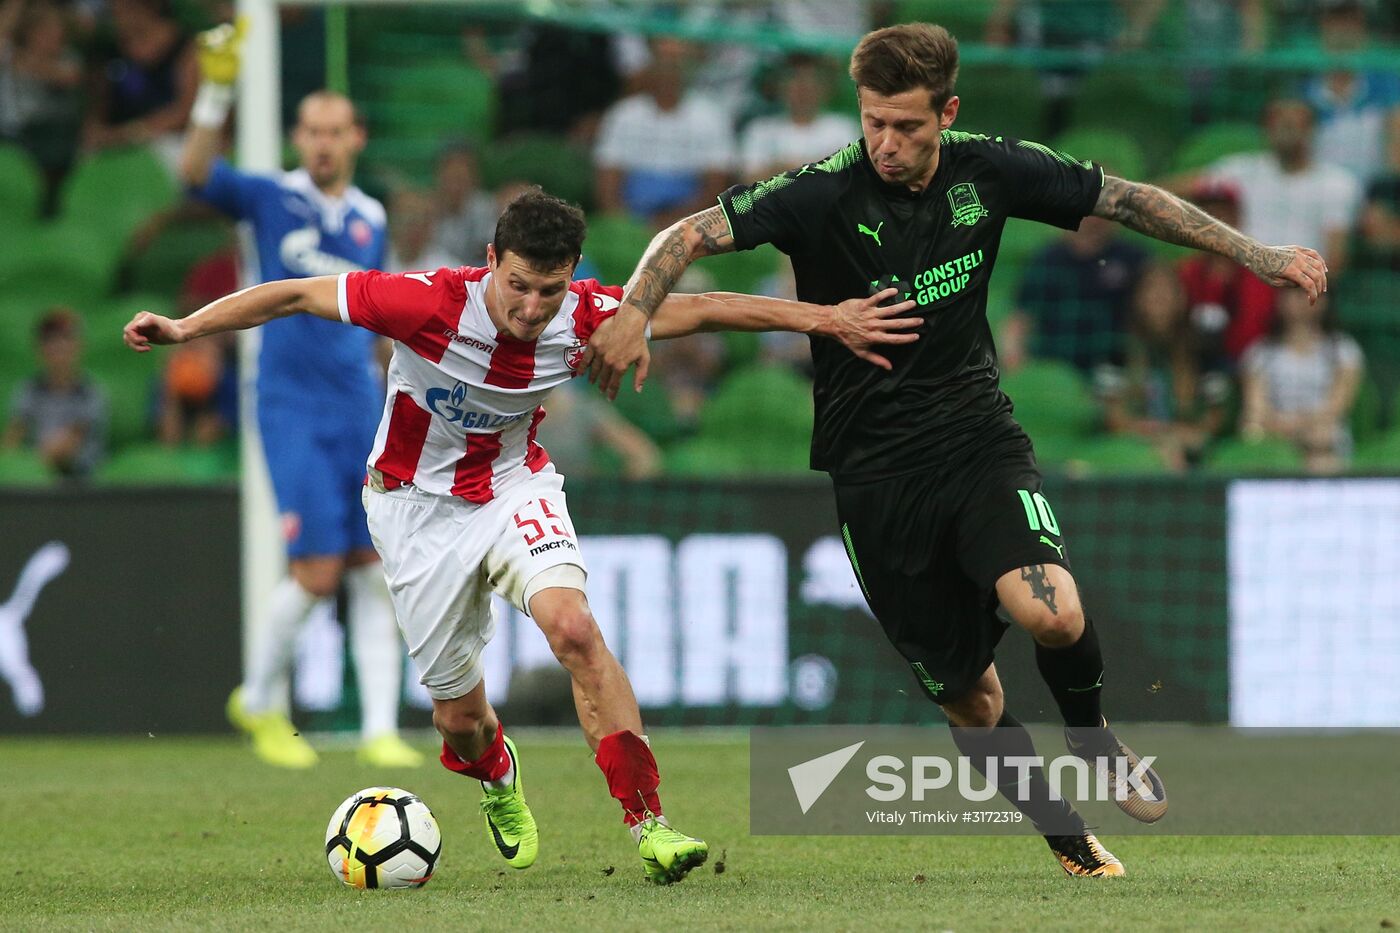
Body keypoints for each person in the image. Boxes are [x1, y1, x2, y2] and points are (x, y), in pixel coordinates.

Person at [587, 22, 1329, 877]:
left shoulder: (992, 166)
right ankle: (1069, 840)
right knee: (970, 696)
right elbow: (684, 237)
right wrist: (637, 310)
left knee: (1053, 611)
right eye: (873, 123)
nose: (887, 144)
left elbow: (1125, 199)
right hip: (874, 475)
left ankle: (1090, 732)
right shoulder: (822, 192)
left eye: (908, 126)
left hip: (978, 437)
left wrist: (1256, 252)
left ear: (949, 112)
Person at [122, 187, 920, 883]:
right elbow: (293, 294)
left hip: (513, 487)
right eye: (518, 286)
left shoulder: (586, 316)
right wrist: (187, 328)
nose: (533, 307)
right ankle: (497, 772)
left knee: (574, 629)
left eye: (550, 289)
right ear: (489, 258)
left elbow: (709, 307)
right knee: (459, 723)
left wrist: (827, 318)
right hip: (412, 509)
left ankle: (650, 823)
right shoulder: (427, 301)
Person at [177, 22, 420, 769]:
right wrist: (215, 90)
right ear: (296, 136)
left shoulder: (371, 218)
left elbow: (370, 316)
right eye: (310, 130)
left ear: (356, 137)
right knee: (315, 572)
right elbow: (192, 175)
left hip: (358, 401)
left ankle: (381, 728)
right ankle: (257, 701)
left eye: (334, 131)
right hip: (287, 403)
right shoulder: (267, 195)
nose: (321, 143)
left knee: (371, 565)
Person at [1182, 98, 1361, 277]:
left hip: (1301, 284)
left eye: (1293, 123)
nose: (1285, 129)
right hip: (1245, 279)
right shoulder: (1243, 169)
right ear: (1267, 129)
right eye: (1279, 122)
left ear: (1311, 129)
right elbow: (1178, 189)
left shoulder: (1337, 183)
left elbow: (1335, 256)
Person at [1095, 264, 1230, 472]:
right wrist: (1142, 430)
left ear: (1182, 299)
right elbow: (1111, 415)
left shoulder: (1203, 351)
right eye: (1151, 289)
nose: (1160, 297)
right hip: (1134, 442)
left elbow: (1216, 414)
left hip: (1188, 440)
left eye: (1167, 290)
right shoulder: (1118, 349)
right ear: (1137, 299)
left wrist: (1186, 434)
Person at [593, 36, 736, 228]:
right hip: (633, 203)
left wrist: (682, 220)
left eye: (673, 73)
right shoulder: (624, 113)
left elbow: (717, 181)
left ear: (684, 76)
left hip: (689, 205)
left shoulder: (710, 115)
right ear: (651, 76)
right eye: (661, 73)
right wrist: (620, 219)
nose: (667, 80)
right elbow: (607, 174)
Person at [999, 214, 1148, 374]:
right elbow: (1020, 319)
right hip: (1055, 371)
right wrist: (1015, 359)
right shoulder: (1045, 260)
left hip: (1113, 371)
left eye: (1100, 213)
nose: (1093, 220)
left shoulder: (1133, 259)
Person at [1239, 289, 1364, 474]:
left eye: (1311, 292)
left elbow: (1337, 407)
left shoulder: (1343, 351)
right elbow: (1256, 409)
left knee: (1323, 440)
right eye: (1295, 293)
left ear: (1324, 301)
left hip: (1323, 439)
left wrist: (1303, 429)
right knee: (1251, 429)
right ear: (1280, 300)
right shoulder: (1260, 354)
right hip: (1275, 436)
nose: (1302, 301)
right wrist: (1288, 429)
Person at [81, 0, 196, 172]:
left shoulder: (186, 48)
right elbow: (100, 105)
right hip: (116, 144)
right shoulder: (110, 49)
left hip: (169, 142)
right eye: (114, 10)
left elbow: (186, 112)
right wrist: (98, 132)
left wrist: (131, 134)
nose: (117, 15)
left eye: (124, 8)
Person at [3, 308, 107, 479]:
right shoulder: (29, 390)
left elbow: (68, 447)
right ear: (39, 349)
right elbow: (13, 436)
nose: (58, 347)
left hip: (81, 482)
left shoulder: (90, 393)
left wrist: (29, 465)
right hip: (39, 480)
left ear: (78, 346)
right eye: (50, 340)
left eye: (65, 338)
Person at [739, 53, 860, 181]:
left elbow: (850, 181)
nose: (803, 91)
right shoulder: (760, 130)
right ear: (780, 87)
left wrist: (782, 167)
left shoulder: (844, 129)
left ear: (824, 89)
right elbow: (750, 181)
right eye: (796, 83)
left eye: (810, 84)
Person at [429, 141, 498, 267]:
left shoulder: (487, 209)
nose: (455, 186)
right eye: (451, 178)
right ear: (440, 176)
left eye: (461, 178)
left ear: (474, 177)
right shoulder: (427, 210)